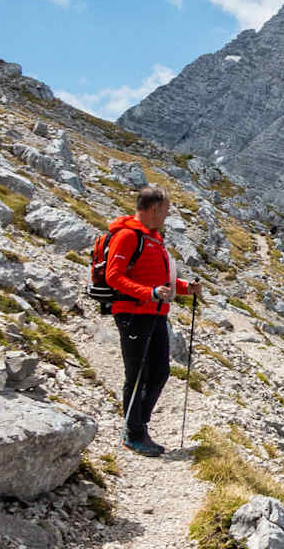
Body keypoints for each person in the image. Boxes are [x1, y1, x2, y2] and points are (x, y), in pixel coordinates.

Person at [104, 186, 193, 456]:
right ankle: (133, 433)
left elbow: (159, 280)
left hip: (155, 313)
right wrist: (149, 293)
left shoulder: (153, 239)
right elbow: (113, 276)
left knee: (160, 371)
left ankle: (139, 426)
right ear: (154, 209)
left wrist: (185, 287)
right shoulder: (127, 236)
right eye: (166, 209)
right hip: (133, 313)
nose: (167, 214)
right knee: (137, 374)